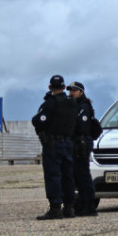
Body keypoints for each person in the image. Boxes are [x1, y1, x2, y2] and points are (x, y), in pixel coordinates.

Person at [32, 75, 78, 220]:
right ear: (64, 87)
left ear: (50, 87)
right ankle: (69, 207)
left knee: (53, 176)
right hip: (68, 143)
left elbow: (38, 121)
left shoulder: (50, 104)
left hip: (53, 144)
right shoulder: (72, 102)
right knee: (68, 176)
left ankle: (55, 208)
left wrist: (47, 102)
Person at [68, 81, 99, 217]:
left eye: (74, 90)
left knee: (83, 175)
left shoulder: (84, 106)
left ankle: (89, 205)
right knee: (76, 175)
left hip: (82, 142)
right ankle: (81, 204)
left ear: (81, 92)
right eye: (70, 90)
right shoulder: (73, 105)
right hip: (75, 142)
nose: (71, 93)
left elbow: (81, 126)